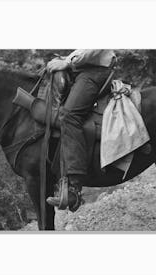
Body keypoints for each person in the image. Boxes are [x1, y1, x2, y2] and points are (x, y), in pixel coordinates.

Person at [46, 49, 116, 212]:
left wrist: (67, 62)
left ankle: (74, 187)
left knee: (69, 115)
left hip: (94, 72)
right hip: (81, 70)